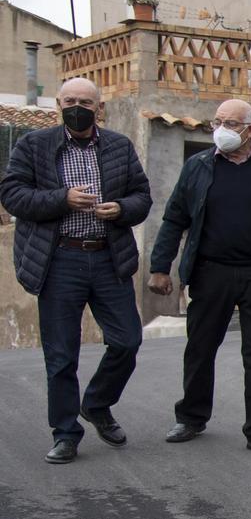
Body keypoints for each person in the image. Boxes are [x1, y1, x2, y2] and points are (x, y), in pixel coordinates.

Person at [0, 78, 151, 465]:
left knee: (128, 341)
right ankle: (66, 433)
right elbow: (12, 194)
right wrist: (62, 199)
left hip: (107, 258)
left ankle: (97, 403)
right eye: (70, 101)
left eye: (85, 101)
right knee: (61, 355)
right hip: (59, 259)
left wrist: (120, 209)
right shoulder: (33, 145)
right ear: (58, 104)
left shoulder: (118, 145)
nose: (77, 107)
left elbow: (141, 197)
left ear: (98, 108)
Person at [147, 99, 251, 456]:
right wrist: (159, 267)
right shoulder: (197, 166)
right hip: (211, 272)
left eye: (230, 123)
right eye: (218, 122)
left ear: (250, 131)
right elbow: (174, 219)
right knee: (200, 348)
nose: (221, 130)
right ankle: (191, 417)